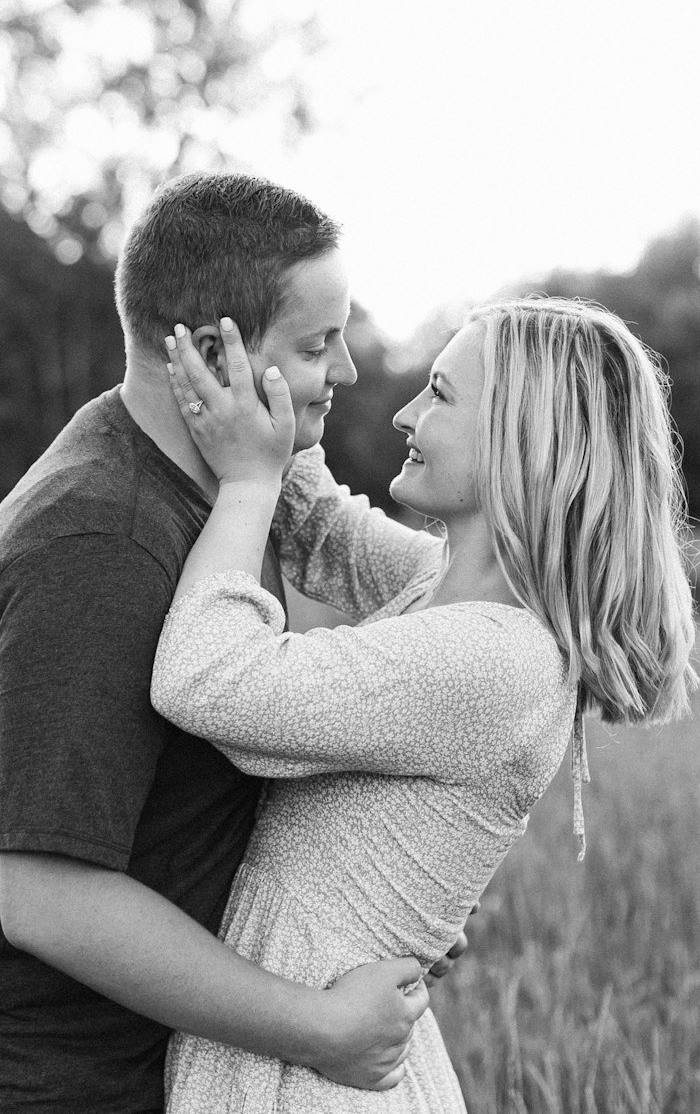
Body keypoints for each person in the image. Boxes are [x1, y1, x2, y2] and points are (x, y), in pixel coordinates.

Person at [150, 293, 699, 1111]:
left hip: (310, 1076)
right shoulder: (439, 583)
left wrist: (245, 482)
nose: (405, 413)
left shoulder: (495, 658)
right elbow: (322, 527)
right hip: (310, 1026)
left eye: (439, 394)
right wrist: (268, 371)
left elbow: (203, 677)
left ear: (525, 439)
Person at [0, 173, 458, 1113]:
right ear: (216, 353)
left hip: (166, 1064)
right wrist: (317, 1024)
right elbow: (41, 889)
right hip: (74, 1085)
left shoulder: (212, 490)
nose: (349, 372)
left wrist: (367, 911)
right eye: (317, 345)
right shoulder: (103, 538)